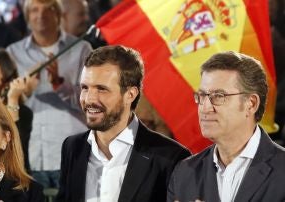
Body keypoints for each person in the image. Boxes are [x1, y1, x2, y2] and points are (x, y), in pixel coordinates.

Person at [57, 45, 191, 202]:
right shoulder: (72, 147)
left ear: (130, 94)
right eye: (85, 88)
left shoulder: (170, 157)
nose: (89, 99)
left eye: (101, 89)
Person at [167, 51, 285, 201]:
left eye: (219, 96)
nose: (205, 107)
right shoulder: (184, 174)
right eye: (202, 96)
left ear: (251, 104)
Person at [7, 0, 92, 189]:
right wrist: (22, 94)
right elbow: (5, 104)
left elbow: (91, 102)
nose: (41, 15)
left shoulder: (81, 49)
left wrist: (60, 85)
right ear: (27, 16)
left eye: (48, 9)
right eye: (35, 10)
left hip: (72, 154)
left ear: (59, 15)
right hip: (30, 153)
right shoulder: (13, 53)